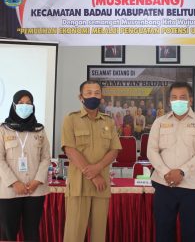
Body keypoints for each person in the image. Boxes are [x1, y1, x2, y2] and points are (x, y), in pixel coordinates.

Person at [147, 82, 195, 242]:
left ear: (190, 100)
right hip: (163, 185)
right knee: (163, 234)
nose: (178, 101)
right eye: (174, 98)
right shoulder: (159, 122)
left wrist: (182, 171)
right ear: (169, 100)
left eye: (182, 97)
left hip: (192, 187)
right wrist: (166, 173)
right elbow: (151, 151)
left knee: (191, 234)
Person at [61, 80, 122, 242]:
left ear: (102, 97)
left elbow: (114, 150)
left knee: (98, 236)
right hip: (79, 186)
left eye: (97, 93)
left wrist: (98, 168)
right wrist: (94, 174)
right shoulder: (71, 119)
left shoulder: (108, 121)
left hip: (101, 188)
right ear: (80, 97)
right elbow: (70, 149)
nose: (93, 96)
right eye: (88, 93)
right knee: (74, 235)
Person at [0, 90, 50, 241]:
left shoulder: (39, 130)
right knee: (7, 232)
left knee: (32, 231)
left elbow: (46, 157)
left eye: (28, 103)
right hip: (9, 190)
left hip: (35, 190)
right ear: (14, 105)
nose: (24, 106)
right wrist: (14, 182)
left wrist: (37, 181)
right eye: (21, 103)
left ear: (33, 106)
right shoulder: (3, 129)